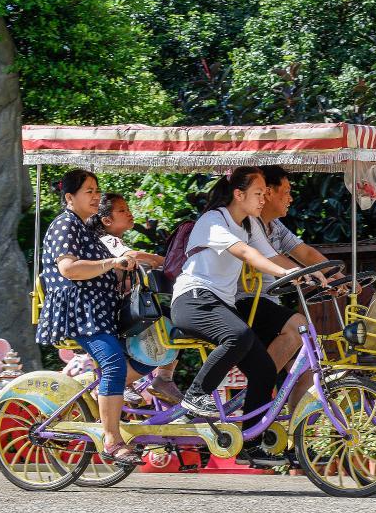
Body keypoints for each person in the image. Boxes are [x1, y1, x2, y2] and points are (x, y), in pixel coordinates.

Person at [169, 166, 303, 467]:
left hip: (219, 304)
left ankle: (250, 445)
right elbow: (246, 254)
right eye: (258, 193)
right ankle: (195, 396)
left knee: (265, 370)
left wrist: (310, 275)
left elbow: (269, 254)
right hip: (193, 300)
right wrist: (285, 273)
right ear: (238, 194)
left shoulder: (250, 224)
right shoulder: (213, 220)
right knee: (238, 335)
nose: (262, 199)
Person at [35, 169, 153, 466]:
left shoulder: (84, 227)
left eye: (97, 190)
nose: (96, 196)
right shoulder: (64, 225)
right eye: (89, 191)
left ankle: (102, 388)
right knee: (114, 362)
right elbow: (69, 269)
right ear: (69, 197)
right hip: (80, 311)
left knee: (153, 352)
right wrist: (112, 262)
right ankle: (112, 440)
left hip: (102, 310)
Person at [235, 166, 332, 408]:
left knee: (311, 364)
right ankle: (258, 389)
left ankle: (293, 437)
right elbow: (273, 259)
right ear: (267, 193)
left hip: (268, 305)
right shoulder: (248, 224)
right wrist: (307, 275)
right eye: (286, 191)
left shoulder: (275, 226)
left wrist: (339, 276)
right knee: (300, 326)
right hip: (246, 302)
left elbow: (306, 253)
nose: (290, 198)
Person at [87, 193, 181, 405]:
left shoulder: (112, 240)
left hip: (118, 308)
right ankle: (149, 380)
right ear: (106, 220)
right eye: (122, 210)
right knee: (171, 324)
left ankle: (158, 379)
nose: (129, 213)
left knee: (170, 324)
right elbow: (133, 257)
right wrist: (162, 260)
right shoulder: (107, 240)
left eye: (128, 209)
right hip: (113, 311)